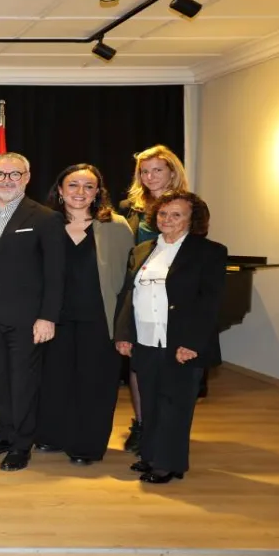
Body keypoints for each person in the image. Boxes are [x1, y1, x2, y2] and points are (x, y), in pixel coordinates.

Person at [115, 190, 226, 484]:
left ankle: (168, 464)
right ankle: (151, 456)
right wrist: (124, 334)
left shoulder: (209, 252)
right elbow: (129, 295)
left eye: (177, 214)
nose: (167, 219)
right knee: (150, 403)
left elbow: (210, 303)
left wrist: (192, 343)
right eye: (163, 214)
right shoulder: (142, 250)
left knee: (175, 405)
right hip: (145, 339)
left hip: (181, 343)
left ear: (193, 220)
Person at [0, 152, 65, 472]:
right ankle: (4, 436)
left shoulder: (45, 218)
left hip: (28, 318)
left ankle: (22, 444)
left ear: (27, 177)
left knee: (23, 382)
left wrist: (48, 317)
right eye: (0, 175)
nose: (7, 180)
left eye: (14, 174)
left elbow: (55, 274)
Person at [34, 164, 133, 465]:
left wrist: (125, 327)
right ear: (60, 190)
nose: (80, 192)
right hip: (54, 318)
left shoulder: (116, 226)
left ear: (98, 192)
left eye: (88, 186)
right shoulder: (44, 223)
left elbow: (129, 280)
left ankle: (87, 446)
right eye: (73, 185)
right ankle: (52, 435)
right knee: (54, 380)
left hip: (100, 318)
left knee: (95, 383)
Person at [117, 145, 190, 452]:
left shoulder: (188, 206)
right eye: (144, 171)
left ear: (172, 171)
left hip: (173, 295)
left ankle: (168, 428)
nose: (149, 177)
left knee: (171, 365)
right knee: (138, 363)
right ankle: (142, 424)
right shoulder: (128, 208)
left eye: (157, 170)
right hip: (139, 292)